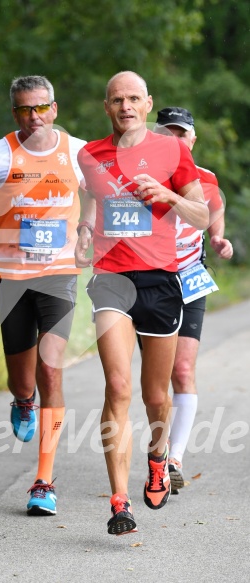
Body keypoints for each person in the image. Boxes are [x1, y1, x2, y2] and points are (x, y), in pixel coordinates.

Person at [75, 71, 208, 535]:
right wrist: (84, 230)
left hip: (161, 281)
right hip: (111, 278)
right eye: (116, 99)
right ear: (106, 106)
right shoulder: (89, 154)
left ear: (148, 104)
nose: (125, 106)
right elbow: (89, 201)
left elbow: (202, 214)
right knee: (118, 386)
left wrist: (169, 194)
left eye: (133, 98)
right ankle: (119, 501)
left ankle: (157, 458)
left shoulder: (174, 151)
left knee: (156, 397)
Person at [0, 75, 86, 516]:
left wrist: (89, 229)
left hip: (59, 276)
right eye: (23, 110)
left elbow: (102, 196)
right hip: (13, 278)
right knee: (23, 378)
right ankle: (22, 400)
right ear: (13, 112)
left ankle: (44, 481)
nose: (32, 117)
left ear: (55, 108)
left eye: (40, 108)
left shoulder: (78, 153)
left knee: (51, 371)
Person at [154, 107, 233, 492]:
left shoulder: (207, 179)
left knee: (182, 371)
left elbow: (214, 210)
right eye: (166, 134)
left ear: (192, 140)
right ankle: (156, 452)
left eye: (180, 134)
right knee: (156, 376)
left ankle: (174, 458)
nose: (174, 141)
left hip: (190, 279)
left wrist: (218, 238)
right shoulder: (142, 177)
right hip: (149, 283)